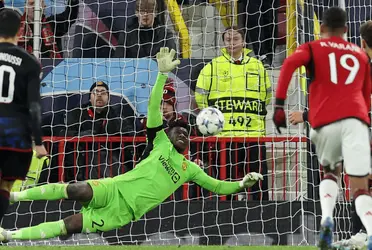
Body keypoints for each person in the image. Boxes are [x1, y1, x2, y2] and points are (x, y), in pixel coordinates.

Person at [0, 47, 263, 241]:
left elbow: (217, 186)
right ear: (167, 135)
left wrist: (241, 184)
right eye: (177, 131)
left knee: (69, 224)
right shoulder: (159, 141)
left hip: (122, 211)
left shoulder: (188, 168)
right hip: (114, 187)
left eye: (186, 132)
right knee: (76, 189)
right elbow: (153, 107)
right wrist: (161, 75)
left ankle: (9, 236)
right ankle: (13, 196)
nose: (182, 133)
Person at [273, 7, 372, 250]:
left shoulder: (312, 47)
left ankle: (327, 219)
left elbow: (288, 66)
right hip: (356, 122)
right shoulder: (360, 56)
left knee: (331, 173)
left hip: (326, 122)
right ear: (347, 30)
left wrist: (279, 107)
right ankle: (368, 232)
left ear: (322, 28)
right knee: (361, 185)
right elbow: (365, 98)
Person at [195, 26, 271, 201]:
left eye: (235, 39)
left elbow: (267, 95)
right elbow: (200, 96)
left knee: (259, 182)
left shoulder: (257, 66)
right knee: (226, 183)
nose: (231, 43)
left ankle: (263, 215)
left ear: (243, 41)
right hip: (224, 137)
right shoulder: (213, 66)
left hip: (253, 135)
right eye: (227, 39)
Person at [0, 9, 48, 223]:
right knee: (5, 187)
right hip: (16, 136)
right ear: (21, 30)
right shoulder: (29, 62)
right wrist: (38, 142)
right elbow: (34, 105)